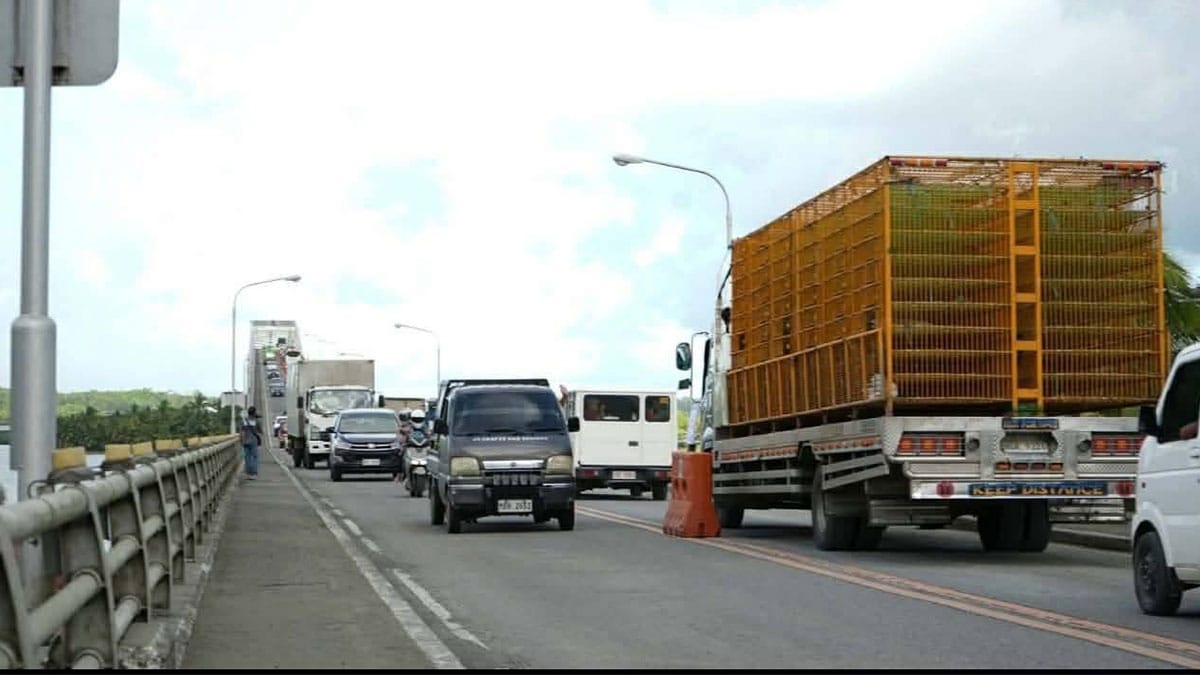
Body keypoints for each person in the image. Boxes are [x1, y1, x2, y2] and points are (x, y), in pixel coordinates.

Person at [241, 406, 262, 480]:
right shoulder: (256, 421)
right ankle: (253, 473)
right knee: (254, 457)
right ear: (254, 413)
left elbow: (242, 432)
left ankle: (248, 473)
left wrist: (242, 441)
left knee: (247, 457)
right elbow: (260, 431)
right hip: (253, 441)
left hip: (245, 440)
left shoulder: (244, 421)